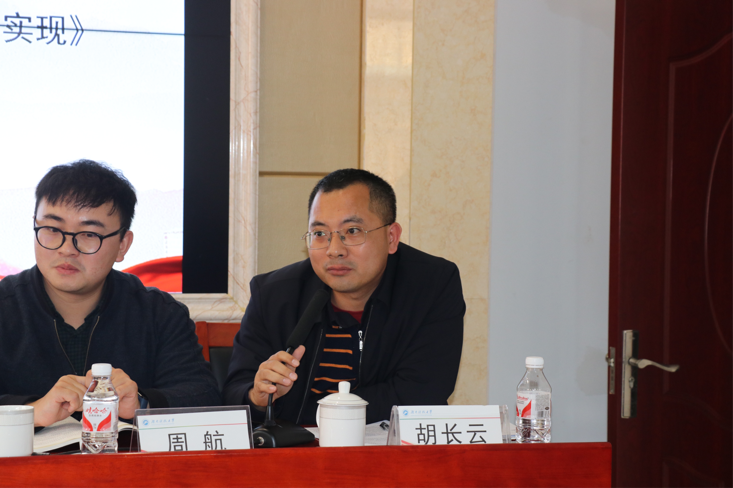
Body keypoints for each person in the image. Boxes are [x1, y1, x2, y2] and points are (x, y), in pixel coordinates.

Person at [223, 169, 465, 424]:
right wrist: (258, 397)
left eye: (352, 231)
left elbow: (422, 394)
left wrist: (315, 414)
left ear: (391, 237)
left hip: (387, 446)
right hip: (295, 447)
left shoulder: (431, 285)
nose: (334, 250)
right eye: (320, 234)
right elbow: (235, 394)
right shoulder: (273, 294)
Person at [0, 160, 220, 427]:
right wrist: (30, 412)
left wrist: (141, 403)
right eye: (52, 229)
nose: (67, 249)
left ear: (122, 245)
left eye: (89, 234)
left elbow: (203, 396)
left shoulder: (159, 313)